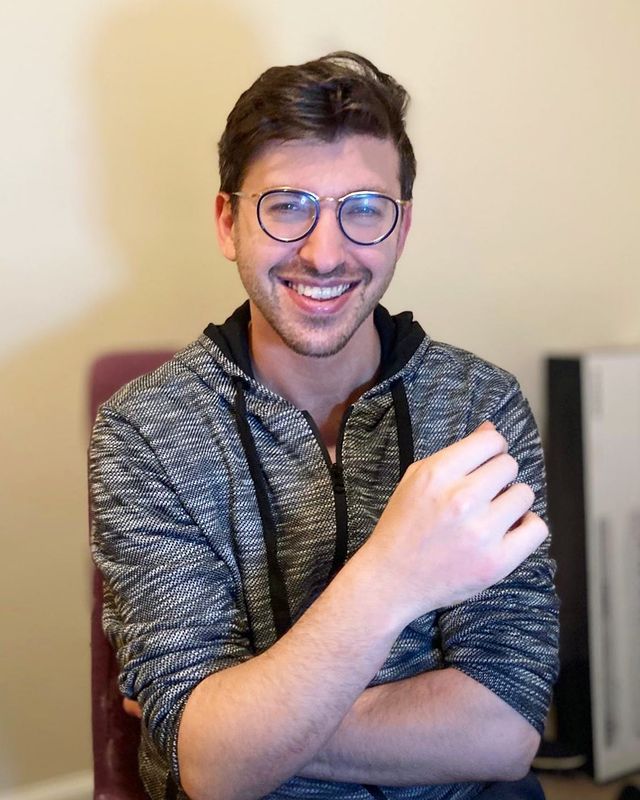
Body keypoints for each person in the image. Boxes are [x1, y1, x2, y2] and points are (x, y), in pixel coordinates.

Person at [90, 51, 559, 800]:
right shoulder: (143, 429)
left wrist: (238, 733)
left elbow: (506, 729)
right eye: (287, 205)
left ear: (402, 228)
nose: (325, 252)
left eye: (364, 208)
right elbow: (210, 774)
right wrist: (393, 576)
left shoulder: (481, 408)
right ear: (228, 222)